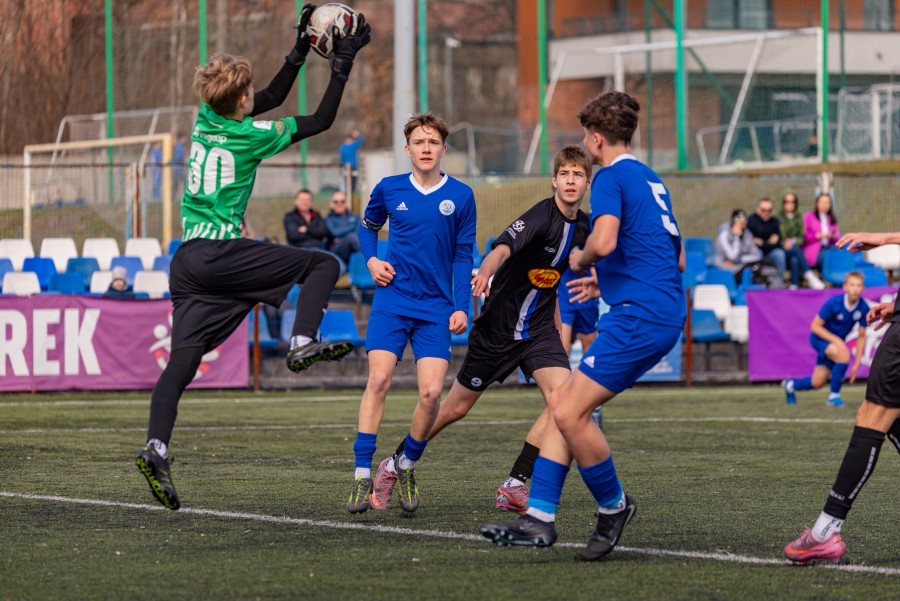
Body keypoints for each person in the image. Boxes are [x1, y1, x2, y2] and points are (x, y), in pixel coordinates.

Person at [134, 5, 371, 511]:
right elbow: (321, 119)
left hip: (187, 261)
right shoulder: (249, 136)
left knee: (181, 364)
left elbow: (273, 96)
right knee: (323, 265)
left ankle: (156, 447)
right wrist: (342, 64)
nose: (254, 97)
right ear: (242, 100)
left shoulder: (205, 118)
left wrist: (302, 47)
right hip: (221, 252)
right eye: (249, 94)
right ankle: (302, 340)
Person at [479, 91, 686, 562]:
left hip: (641, 316)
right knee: (563, 405)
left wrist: (582, 258)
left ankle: (613, 506)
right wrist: (606, 281)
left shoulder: (610, 176)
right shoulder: (651, 178)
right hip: (657, 309)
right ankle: (539, 517)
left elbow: (605, 240)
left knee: (570, 411)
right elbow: (674, 257)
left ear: (595, 140)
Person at [349, 145, 591, 515]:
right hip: (498, 330)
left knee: (566, 400)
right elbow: (501, 249)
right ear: (554, 180)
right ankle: (396, 463)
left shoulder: (585, 227)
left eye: (578, 175)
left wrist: (564, 317)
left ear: (587, 184)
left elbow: (553, 278)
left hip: (538, 331)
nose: (571, 181)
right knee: (453, 409)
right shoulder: (539, 217)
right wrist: (486, 271)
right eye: (565, 174)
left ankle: (515, 484)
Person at [346, 113, 477, 514]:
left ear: (443, 149)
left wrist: (461, 306)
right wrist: (372, 261)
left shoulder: (462, 195)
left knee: (431, 393)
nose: (425, 148)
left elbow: (463, 256)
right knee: (379, 380)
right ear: (407, 149)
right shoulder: (389, 188)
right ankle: (361, 475)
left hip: (436, 308)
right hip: (392, 301)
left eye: (433, 142)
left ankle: (404, 464)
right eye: (419, 142)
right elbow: (367, 228)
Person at [784, 229, 900, 565]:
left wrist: (883, 238)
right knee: (891, 418)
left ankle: (824, 531)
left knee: (873, 416)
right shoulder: (834, 303)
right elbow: (816, 327)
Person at [783, 272, 869, 408]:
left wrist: (857, 364)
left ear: (863, 288)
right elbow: (815, 326)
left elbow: (861, 336)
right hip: (819, 339)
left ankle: (790, 386)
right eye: (852, 285)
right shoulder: (834, 303)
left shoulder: (863, 307)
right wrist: (838, 341)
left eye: (859, 285)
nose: (855, 289)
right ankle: (833, 397)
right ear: (845, 287)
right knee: (844, 354)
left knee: (817, 382)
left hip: (835, 344)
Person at [779, 192, 825, 289]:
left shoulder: (799, 217)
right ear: (783, 203)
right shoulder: (778, 217)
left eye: (793, 202)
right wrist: (784, 242)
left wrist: (792, 242)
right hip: (782, 249)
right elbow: (776, 234)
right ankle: (809, 274)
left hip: (794, 249)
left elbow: (801, 237)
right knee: (797, 250)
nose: (790, 204)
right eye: (787, 202)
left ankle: (794, 285)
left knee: (795, 259)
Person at [713, 208, 761, 282]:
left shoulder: (747, 233)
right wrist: (737, 237)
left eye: (745, 220)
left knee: (759, 268)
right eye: (741, 221)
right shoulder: (724, 234)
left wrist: (740, 261)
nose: (744, 223)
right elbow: (733, 257)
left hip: (741, 266)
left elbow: (757, 255)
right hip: (724, 269)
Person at [746, 197, 787, 279]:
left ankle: (780, 280)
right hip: (756, 253)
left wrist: (762, 242)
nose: (766, 213)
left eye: (769, 210)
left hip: (770, 252)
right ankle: (760, 280)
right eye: (763, 210)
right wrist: (768, 242)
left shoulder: (775, 222)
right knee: (758, 253)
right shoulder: (751, 221)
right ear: (757, 209)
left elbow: (777, 243)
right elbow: (749, 243)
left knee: (780, 254)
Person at [803, 192, 840, 270]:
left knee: (838, 256)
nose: (825, 205)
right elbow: (804, 235)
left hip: (829, 247)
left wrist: (832, 236)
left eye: (828, 203)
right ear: (817, 203)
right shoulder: (809, 216)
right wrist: (816, 236)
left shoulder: (832, 219)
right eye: (823, 202)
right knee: (828, 257)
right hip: (815, 251)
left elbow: (837, 236)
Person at [325, 190, 361, 264]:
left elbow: (360, 231)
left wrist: (341, 237)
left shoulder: (355, 216)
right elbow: (335, 232)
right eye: (336, 202)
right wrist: (352, 226)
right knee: (351, 237)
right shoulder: (329, 219)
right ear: (331, 204)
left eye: (342, 201)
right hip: (336, 251)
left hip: (353, 246)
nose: (339, 204)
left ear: (346, 203)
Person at [339, 129, 366, 194]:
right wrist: (357, 135)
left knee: (351, 181)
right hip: (349, 165)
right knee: (350, 181)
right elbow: (362, 139)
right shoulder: (348, 146)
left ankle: (351, 192)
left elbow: (362, 140)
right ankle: (350, 192)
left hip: (351, 165)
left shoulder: (346, 146)